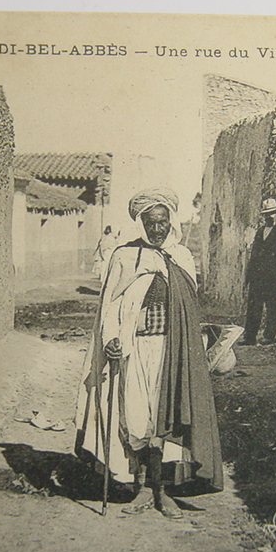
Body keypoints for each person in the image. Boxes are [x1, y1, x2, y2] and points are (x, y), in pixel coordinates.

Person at [75, 188, 224, 520]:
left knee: (166, 415)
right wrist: (112, 338)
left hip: (172, 350)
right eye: (150, 222)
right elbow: (109, 307)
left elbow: (189, 308)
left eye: (163, 222)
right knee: (137, 414)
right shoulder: (124, 256)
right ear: (141, 223)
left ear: (171, 222)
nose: (157, 229)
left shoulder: (183, 256)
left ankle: (162, 489)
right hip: (135, 348)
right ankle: (141, 486)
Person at [242, 198, 276, 345]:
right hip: (257, 278)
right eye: (266, 214)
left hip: (273, 279)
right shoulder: (259, 232)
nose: (269, 216)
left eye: (272, 213)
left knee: (272, 308)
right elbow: (253, 256)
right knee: (254, 307)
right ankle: (250, 337)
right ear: (263, 216)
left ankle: (268, 336)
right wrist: (249, 277)